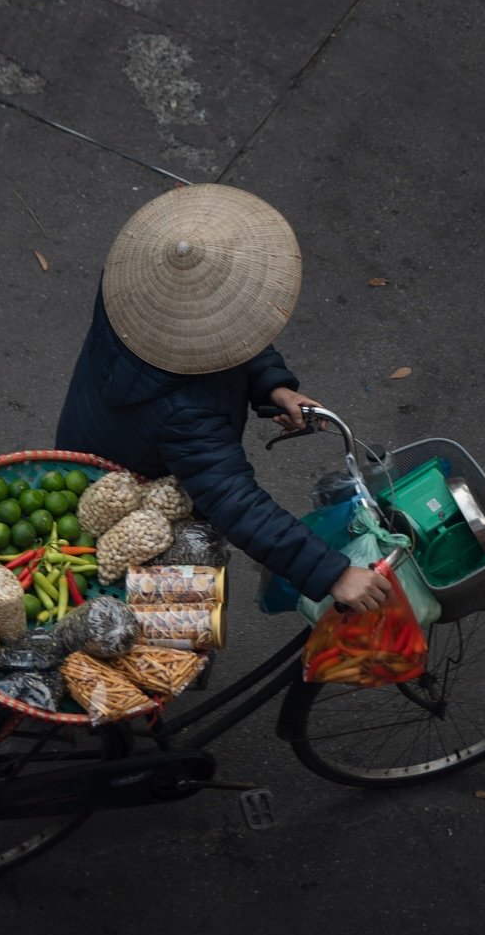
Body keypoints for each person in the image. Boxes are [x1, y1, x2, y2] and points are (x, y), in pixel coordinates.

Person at [55, 184, 389, 613]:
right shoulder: (188, 413)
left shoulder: (136, 277)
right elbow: (236, 502)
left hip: (91, 431)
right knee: (174, 618)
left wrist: (273, 387)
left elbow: (234, 335)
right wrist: (335, 574)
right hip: (126, 495)